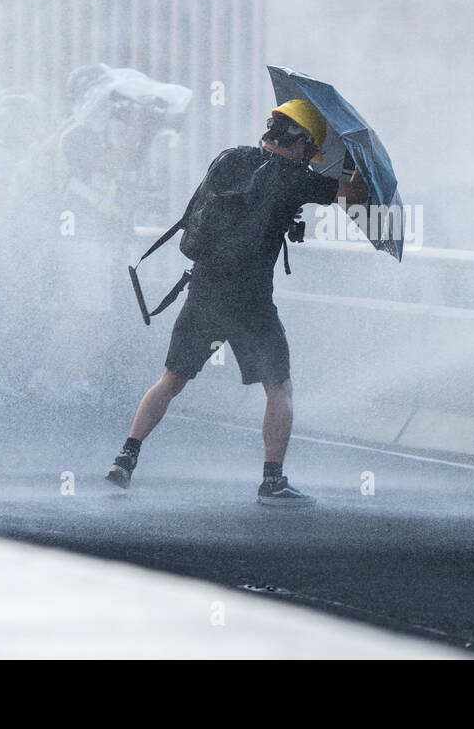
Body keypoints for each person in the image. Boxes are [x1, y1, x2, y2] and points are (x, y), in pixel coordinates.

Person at [104, 99, 367, 505]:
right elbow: (355, 195)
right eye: (309, 148)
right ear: (300, 144)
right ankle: (272, 482)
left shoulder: (229, 159)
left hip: (203, 288)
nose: (307, 156)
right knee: (278, 386)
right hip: (250, 301)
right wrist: (351, 162)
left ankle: (126, 457)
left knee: (172, 379)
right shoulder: (295, 178)